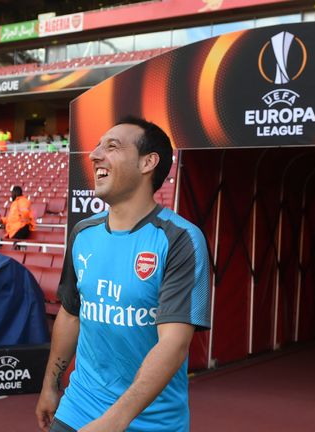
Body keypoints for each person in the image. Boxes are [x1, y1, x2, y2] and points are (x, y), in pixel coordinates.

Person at [35, 116, 210, 432]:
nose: (94, 155)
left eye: (111, 147)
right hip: (77, 409)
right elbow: (71, 314)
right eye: (97, 146)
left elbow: (173, 344)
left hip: (152, 423)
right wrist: (50, 384)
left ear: (148, 162)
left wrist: (114, 421)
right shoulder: (83, 233)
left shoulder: (180, 238)